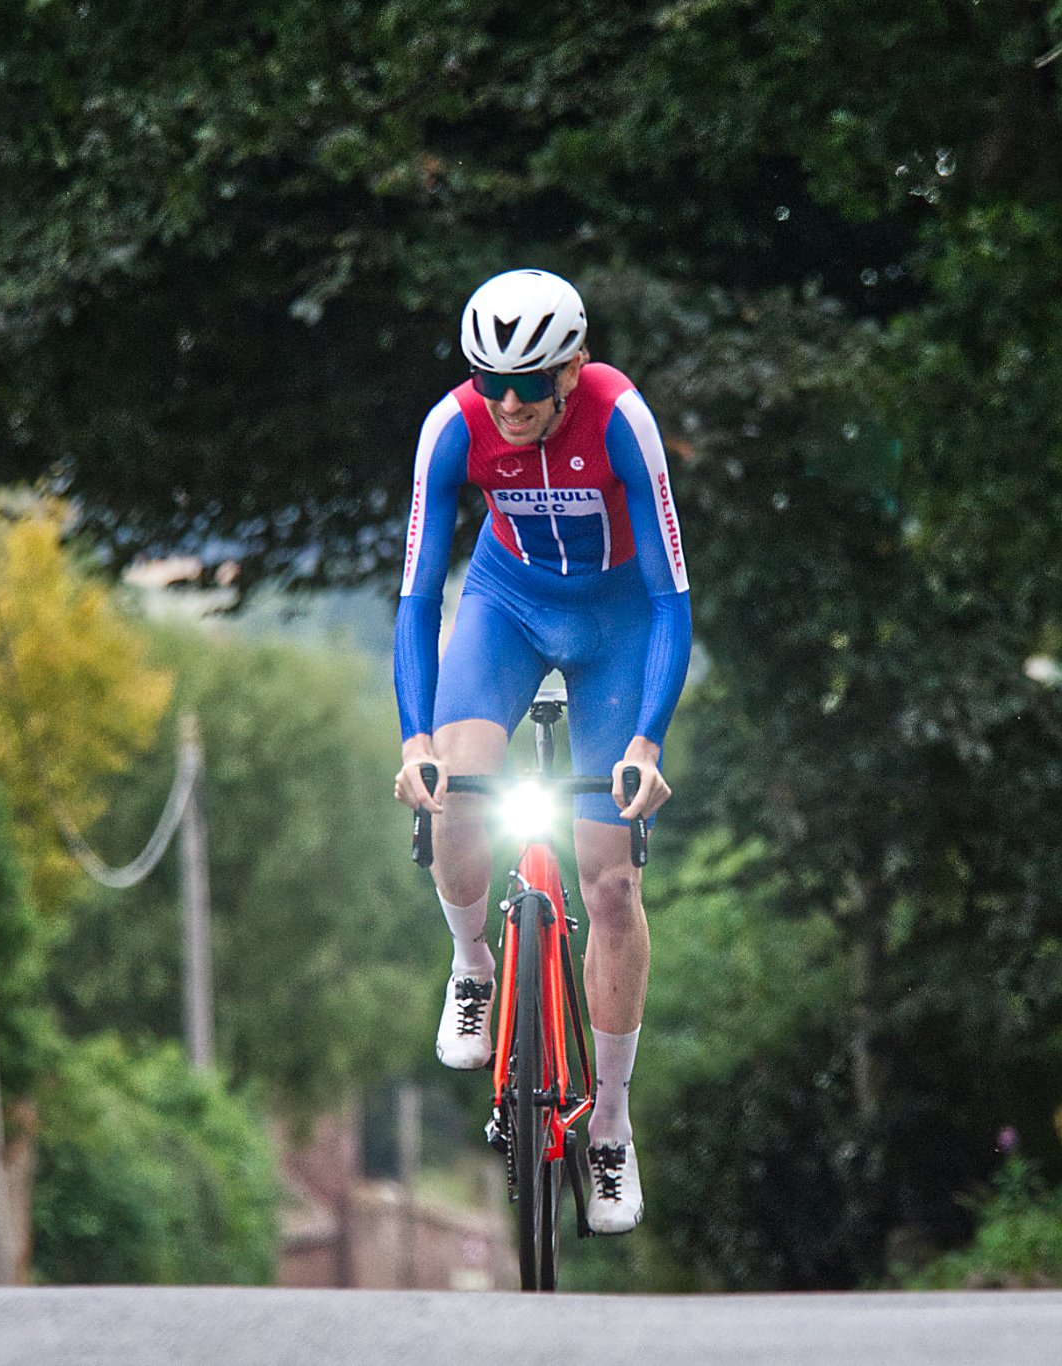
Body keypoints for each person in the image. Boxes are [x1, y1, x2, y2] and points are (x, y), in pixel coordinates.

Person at [391, 269, 690, 1235]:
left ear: (574, 367)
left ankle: (608, 1121)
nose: (509, 403)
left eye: (529, 382)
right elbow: (415, 597)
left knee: (609, 885)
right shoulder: (454, 427)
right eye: (492, 381)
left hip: (615, 626)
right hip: (506, 608)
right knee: (453, 797)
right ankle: (474, 963)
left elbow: (670, 598)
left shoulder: (619, 419)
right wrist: (414, 738)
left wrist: (647, 739)